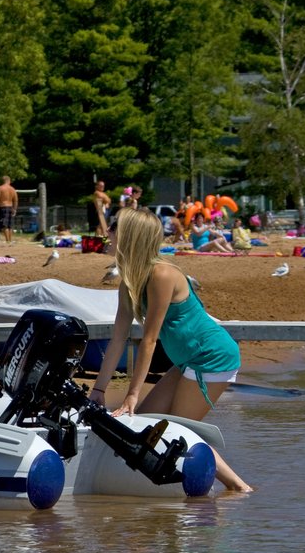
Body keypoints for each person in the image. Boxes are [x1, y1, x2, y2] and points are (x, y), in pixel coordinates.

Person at [88, 208, 251, 492]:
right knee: (146, 425)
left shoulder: (162, 274)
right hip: (189, 359)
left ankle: (238, 487)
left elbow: (149, 341)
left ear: (129, 236)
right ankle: (234, 487)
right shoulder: (129, 282)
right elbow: (118, 339)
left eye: (114, 227)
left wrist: (131, 396)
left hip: (212, 357)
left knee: (180, 431)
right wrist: (99, 391)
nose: (108, 233)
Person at [0, 176, 18, 245]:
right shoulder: (13, 189)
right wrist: (14, 209)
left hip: (3, 207)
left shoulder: (0, 188)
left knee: (4, 225)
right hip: (10, 207)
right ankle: (10, 240)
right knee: (10, 225)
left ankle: (7, 241)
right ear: (9, 181)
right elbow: (16, 200)